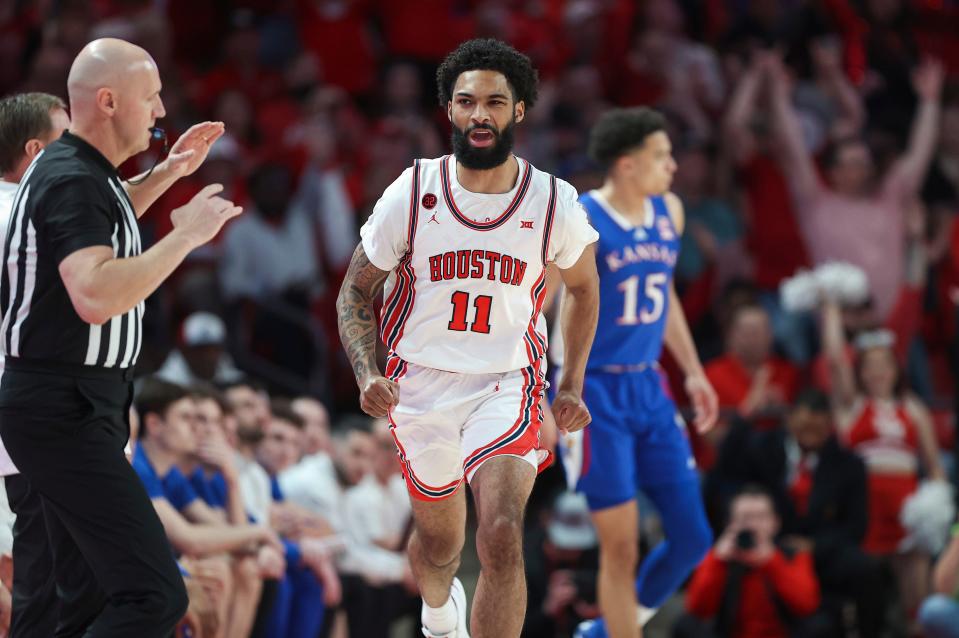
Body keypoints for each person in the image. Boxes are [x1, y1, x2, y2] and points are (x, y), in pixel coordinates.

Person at [336, 38, 600, 638]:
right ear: (450, 111)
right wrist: (367, 373)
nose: (480, 113)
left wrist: (572, 382)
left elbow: (585, 288)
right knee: (438, 548)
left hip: (507, 382)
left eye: (495, 102)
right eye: (467, 102)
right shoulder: (414, 191)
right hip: (419, 386)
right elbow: (355, 291)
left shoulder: (553, 200)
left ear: (519, 111)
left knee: (502, 535)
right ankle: (437, 614)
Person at [0, 38, 242, 636]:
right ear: (108, 102)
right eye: (152, 97)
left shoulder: (84, 175)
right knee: (153, 596)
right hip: (63, 405)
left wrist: (170, 172)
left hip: (70, 402)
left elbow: (108, 209)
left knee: (62, 602)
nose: (161, 112)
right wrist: (185, 237)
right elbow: (95, 294)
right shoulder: (71, 176)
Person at [568, 107, 717, 638]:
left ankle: (607, 632)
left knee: (692, 537)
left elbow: (664, 296)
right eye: (662, 156)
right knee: (621, 545)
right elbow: (541, 307)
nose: (673, 166)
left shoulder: (669, 211)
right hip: (595, 391)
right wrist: (546, 392)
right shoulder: (581, 220)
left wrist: (693, 371)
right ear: (627, 165)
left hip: (649, 385)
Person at [821, 296, 947, 618]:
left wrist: (935, 507)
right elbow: (835, 360)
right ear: (860, 372)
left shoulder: (913, 408)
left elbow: (934, 467)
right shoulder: (852, 406)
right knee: (866, 589)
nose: (878, 372)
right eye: (870, 366)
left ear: (895, 369)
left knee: (916, 598)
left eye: (884, 364)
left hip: (905, 508)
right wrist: (831, 306)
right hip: (863, 507)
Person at [0, 91, 70, 637]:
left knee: (42, 574)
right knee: (45, 577)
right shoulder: (24, 212)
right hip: (31, 409)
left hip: (24, 410)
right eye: (67, 143)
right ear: (34, 151)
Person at [678, 485, 821, 638]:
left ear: (775, 522)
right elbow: (697, 609)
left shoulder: (792, 555)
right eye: (745, 518)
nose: (752, 525)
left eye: (760, 517)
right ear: (729, 523)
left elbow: (807, 605)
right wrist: (717, 561)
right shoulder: (719, 558)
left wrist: (771, 561)